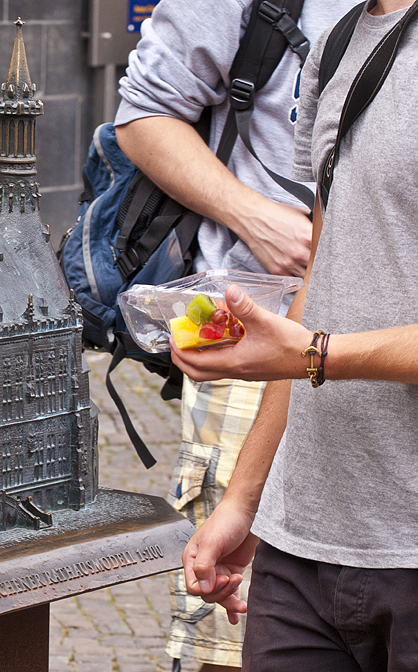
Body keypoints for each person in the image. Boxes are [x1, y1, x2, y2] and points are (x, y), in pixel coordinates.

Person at [112, 1, 359, 670]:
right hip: (245, 325)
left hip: (382, 343)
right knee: (241, 631)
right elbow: (139, 119)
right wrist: (255, 217)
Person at [172, 0, 418, 668]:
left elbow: (311, 347)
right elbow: (324, 274)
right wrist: (247, 499)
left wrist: (316, 355)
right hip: (301, 552)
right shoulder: (340, 41)